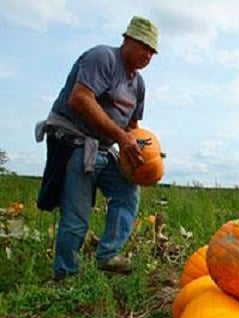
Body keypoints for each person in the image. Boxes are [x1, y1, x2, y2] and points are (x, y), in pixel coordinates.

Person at [35, 16, 159, 281]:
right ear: (128, 40)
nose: (148, 54)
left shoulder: (138, 84)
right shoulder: (103, 58)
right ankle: (65, 277)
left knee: (127, 194)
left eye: (152, 51)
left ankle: (107, 254)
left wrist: (145, 155)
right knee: (77, 216)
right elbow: (79, 98)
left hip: (104, 148)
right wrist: (121, 137)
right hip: (73, 141)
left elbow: (133, 127)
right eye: (143, 46)